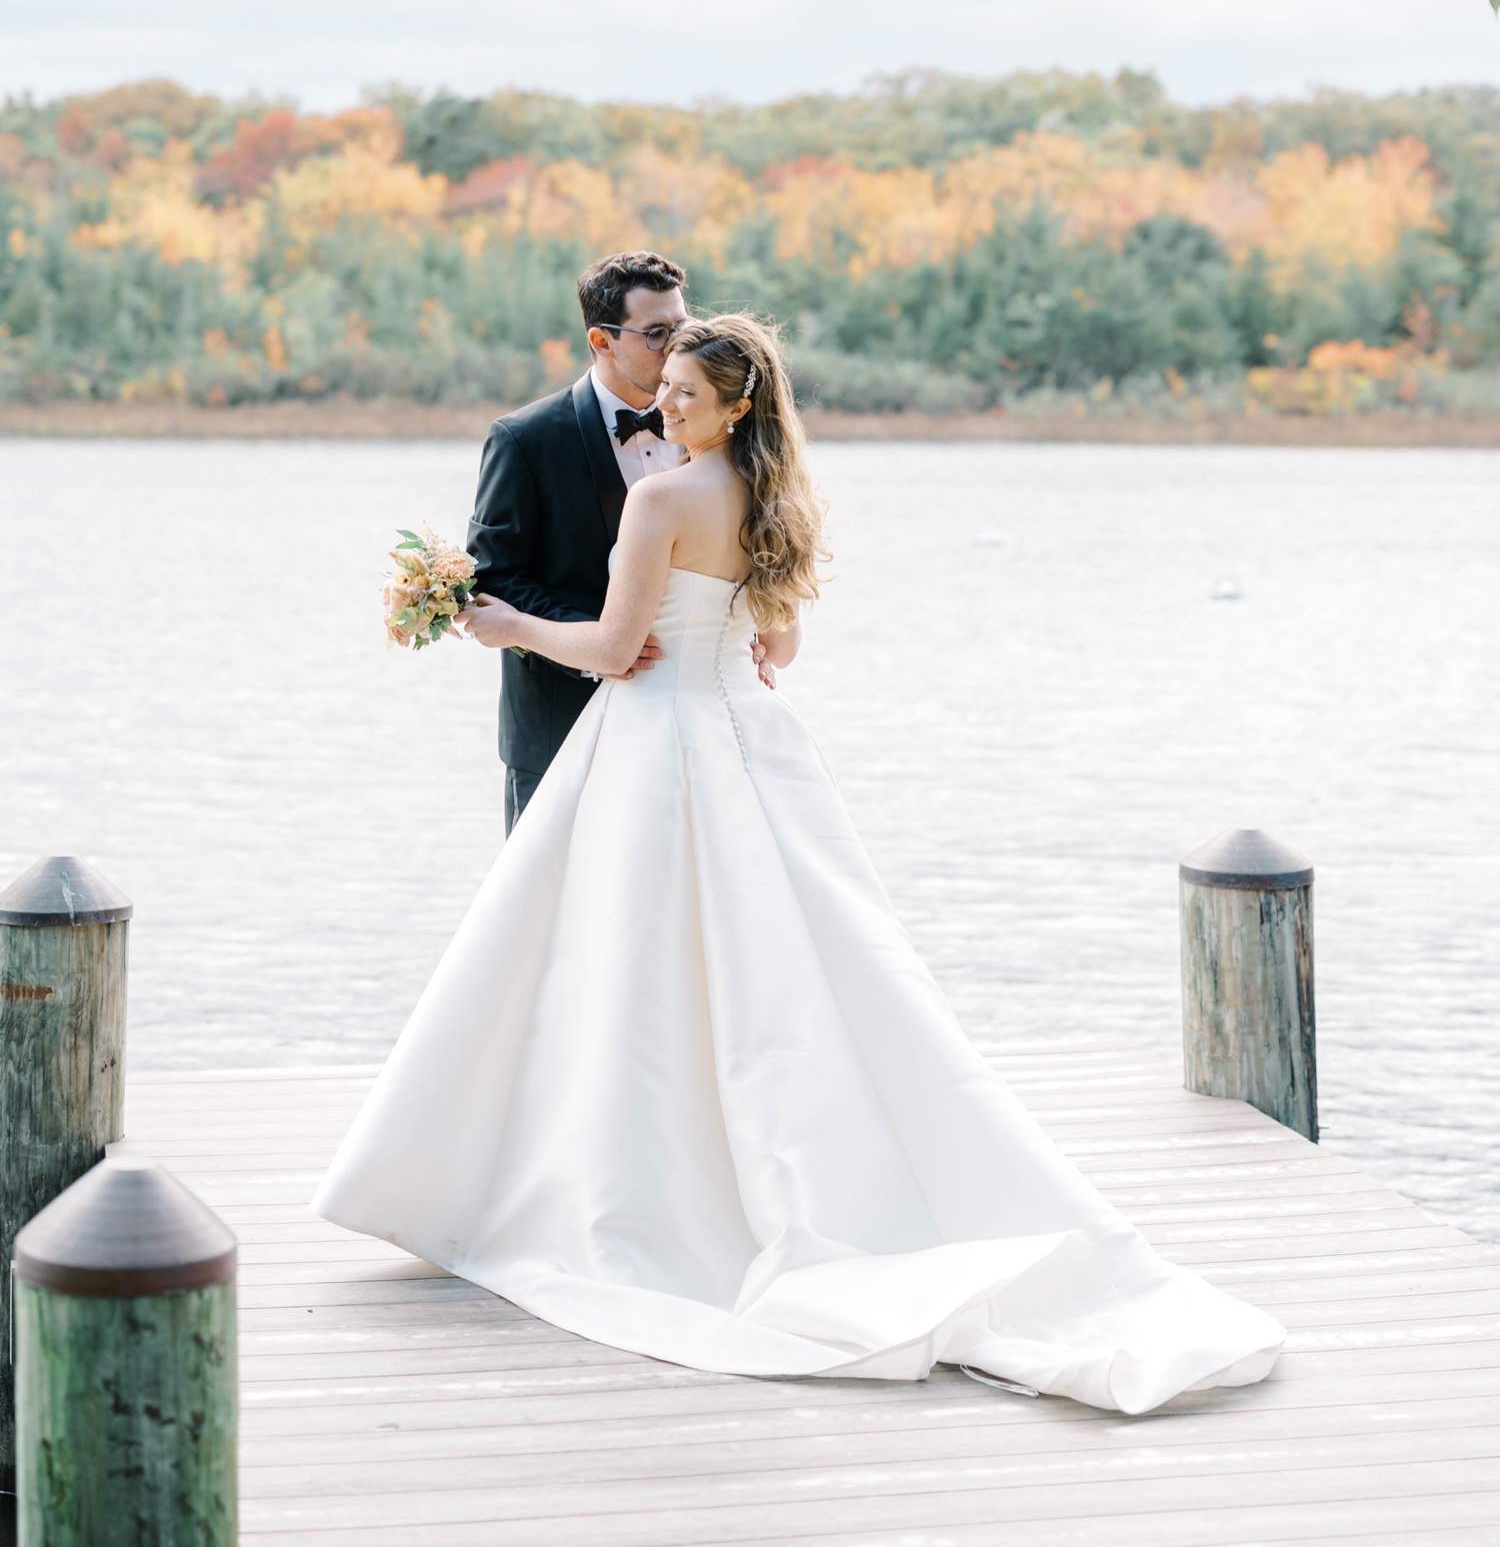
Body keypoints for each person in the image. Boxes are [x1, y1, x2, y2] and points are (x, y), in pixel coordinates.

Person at [315, 315, 1283, 1409]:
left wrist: (501, 625)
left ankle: (623, 1190)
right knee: (778, 966)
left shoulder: (661, 499)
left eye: (684, 394)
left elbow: (609, 649)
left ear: (733, 405)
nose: (663, 407)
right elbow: (779, 645)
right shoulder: (775, 499)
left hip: (659, 746)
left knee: (635, 969)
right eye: (662, 388)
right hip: (753, 741)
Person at [466, 249, 690, 835]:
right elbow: (495, 579)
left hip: (683, 721)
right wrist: (604, 642)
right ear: (602, 339)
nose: (675, 346)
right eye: (656, 333)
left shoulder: (716, 432)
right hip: (558, 724)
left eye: (684, 327)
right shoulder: (524, 439)